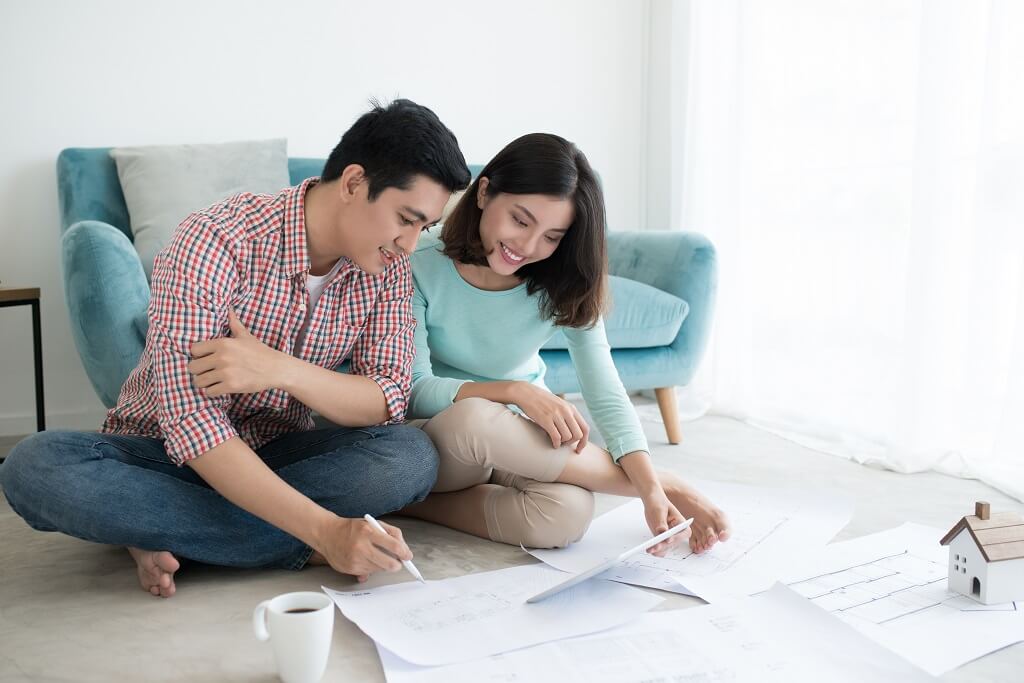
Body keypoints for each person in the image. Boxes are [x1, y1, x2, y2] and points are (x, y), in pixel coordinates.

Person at [0, 99, 470, 597]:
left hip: (277, 455)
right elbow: (192, 422)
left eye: (424, 228)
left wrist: (281, 370)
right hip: (160, 454)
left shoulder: (388, 269)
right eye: (406, 219)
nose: (411, 244)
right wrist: (327, 532)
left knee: (411, 456)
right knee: (35, 467)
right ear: (355, 183)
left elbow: (387, 397)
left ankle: (163, 529)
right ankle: (286, 538)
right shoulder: (216, 238)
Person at [400, 133, 730, 553]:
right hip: (439, 440)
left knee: (566, 516)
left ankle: (410, 507)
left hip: (516, 437)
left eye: (552, 236)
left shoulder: (561, 281)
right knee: (475, 419)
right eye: (520, 220)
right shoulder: (419, 260)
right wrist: (652, 485)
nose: (528, 246)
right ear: (484, 192)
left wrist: (646, 484)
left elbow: (605, 391)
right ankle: (669, 483)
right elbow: (412, 391)